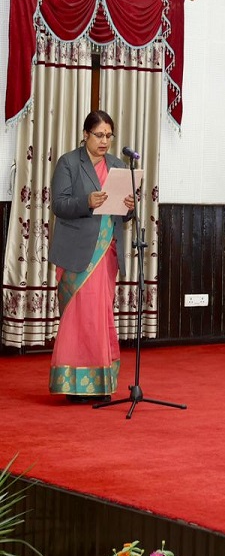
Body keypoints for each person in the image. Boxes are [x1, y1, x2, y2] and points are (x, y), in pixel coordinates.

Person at [48, 110, 136, 401]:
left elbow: (120, 217)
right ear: (85, 134)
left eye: (109, 135)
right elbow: (59, 205)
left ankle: (100, 384)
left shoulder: (117, 166)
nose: (105, 141)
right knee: (78, 317)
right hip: (78, 252)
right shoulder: (69, 163)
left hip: (106, 253)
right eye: (99, 135)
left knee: (100, 317)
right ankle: (73, 385)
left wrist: (128, 207)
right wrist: (87, 201)